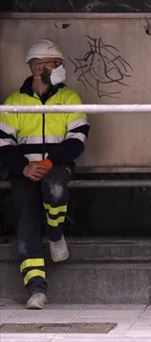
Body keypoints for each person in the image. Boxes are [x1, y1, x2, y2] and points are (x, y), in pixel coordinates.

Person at [0, 39, 90, 309]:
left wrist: (50, 162)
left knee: (56, 189)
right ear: (36, 68)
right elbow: (3, 144)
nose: (58, 68)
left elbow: (78, 139)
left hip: (56, 168)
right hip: (24, 174)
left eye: (56, 63)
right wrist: (25, 167)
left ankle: (55, 234)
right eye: (53, 64)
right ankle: (36, 289)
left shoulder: (69, 99)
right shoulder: (14, 102)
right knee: (26, 224)